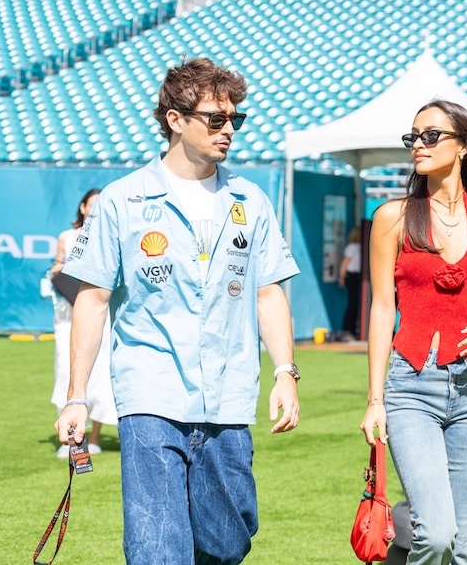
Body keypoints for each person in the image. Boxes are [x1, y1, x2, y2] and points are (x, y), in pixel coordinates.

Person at [54, 57, 301, 565]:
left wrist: (286, 372)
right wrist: (77, 397)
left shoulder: (250, 199)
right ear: (174, 120)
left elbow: (268, 292)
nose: (229, 129)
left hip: (230, 396)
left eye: (235, 119)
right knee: (157, 547)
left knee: (228, 540)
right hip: (150, 394)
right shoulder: (121, 201)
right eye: (215, 118)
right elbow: (93, 298)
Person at [360, 100, 467, 564]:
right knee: (436, 535)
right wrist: (375, 401)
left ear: (464, 146)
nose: (419, 145)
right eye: (414, 137)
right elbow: (381, 308)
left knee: (463, 545)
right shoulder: (393, 217)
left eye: (431, 136)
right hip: (412, 387)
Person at [49, 188, 116, 457]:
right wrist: (63, 281)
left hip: (102, 313)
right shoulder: (67, 237)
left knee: (101, 375)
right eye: (93, 204)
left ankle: (95, 436)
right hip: (68, 312)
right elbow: (56, 268)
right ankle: (74, 437)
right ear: (83, 207)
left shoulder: (111, 236)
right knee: (67, 369)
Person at [339, 225, 362, 340]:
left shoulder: (359, 247)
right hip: (352, 276)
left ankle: (352, 328)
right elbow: (345, 263)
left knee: (355, 303)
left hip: (357, 276)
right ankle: (348, 329)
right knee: (353, 303)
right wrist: (342, 277)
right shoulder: (353, 247)